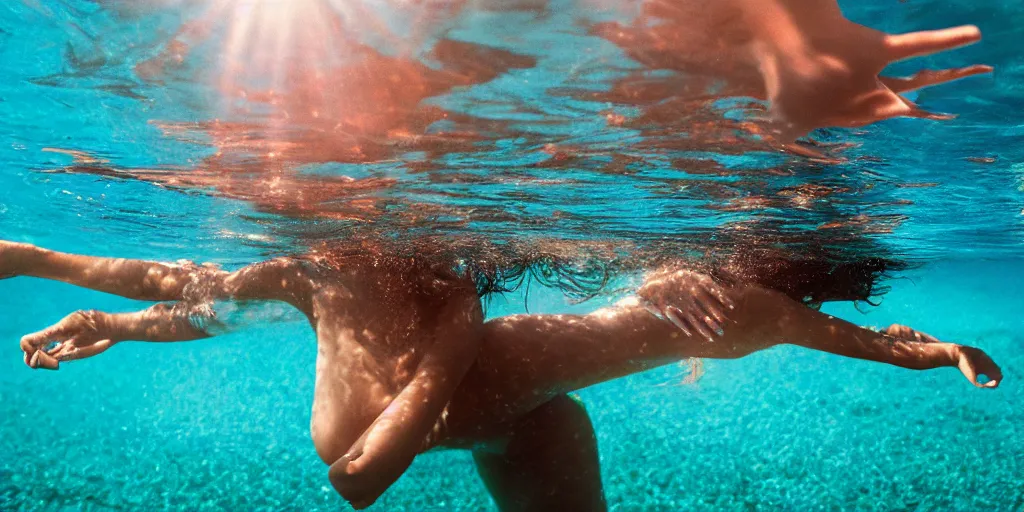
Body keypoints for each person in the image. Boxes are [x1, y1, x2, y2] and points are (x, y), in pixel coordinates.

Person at [4, 239, 1002, 510]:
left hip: (524, 416)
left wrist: (935, 351)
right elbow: (212, 297)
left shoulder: (680, 315)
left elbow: (823, 327)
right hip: (506, 401)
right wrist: (107, 318)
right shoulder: (327, 265)